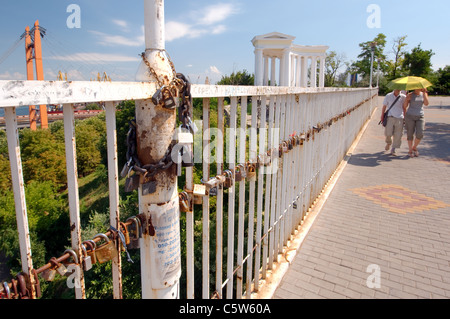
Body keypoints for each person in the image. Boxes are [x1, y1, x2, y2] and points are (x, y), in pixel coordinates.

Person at [403, 88, 429, 157]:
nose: (420, 88)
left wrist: (424, 93)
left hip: (420, 116)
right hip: (410, 116)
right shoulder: (410, 95)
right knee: (410, 134)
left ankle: (414, 147)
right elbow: (405, 106)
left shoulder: (424, 94)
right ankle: (410, 150)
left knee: (420, 134)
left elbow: (426, 104)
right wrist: (406, 99)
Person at [381, 89, 406, 156]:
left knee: (398, 134)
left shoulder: (403, 97)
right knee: (388, 132)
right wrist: (382, 116)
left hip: (400, 117)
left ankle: (393, 149)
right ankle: (389, 142)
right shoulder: (388, 95)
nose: (397, 89)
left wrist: (405, 117)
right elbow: (384, 106)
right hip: (390, 116)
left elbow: (404, 108)